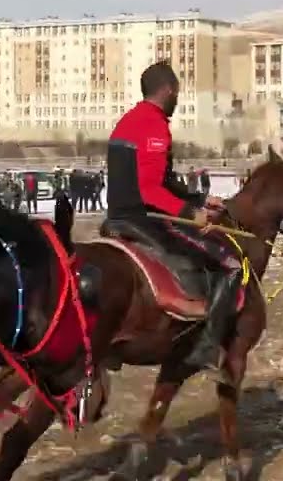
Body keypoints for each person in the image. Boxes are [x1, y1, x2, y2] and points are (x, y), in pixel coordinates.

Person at [105, 62, 232, 370]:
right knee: (226, 263)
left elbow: (162, 179)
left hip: (120, 214)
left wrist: (201, 199)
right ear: (169, 90)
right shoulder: (154, 124)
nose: (178, 100)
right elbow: (150, 190)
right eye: (178, 93)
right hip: (143, 218)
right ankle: (206, 348)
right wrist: (192, 213)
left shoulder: (130, 119)